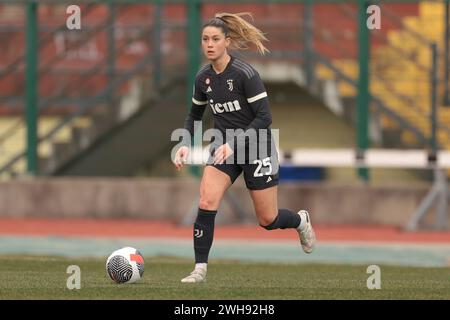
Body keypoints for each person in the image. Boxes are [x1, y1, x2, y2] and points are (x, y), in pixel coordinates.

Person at [173, 12, 316, 283]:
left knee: (267, 219)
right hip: (223, 147)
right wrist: (184, 144)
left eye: (215, 39)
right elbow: (194, 116)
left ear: (227, 41)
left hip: (257, 145)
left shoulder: (245, 74)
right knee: (206, 201)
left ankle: (300, 221)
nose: (210, 44)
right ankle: (199, 269)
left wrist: (235, 142)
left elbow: (264, 118)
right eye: (205, 39)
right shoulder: (203, 77)